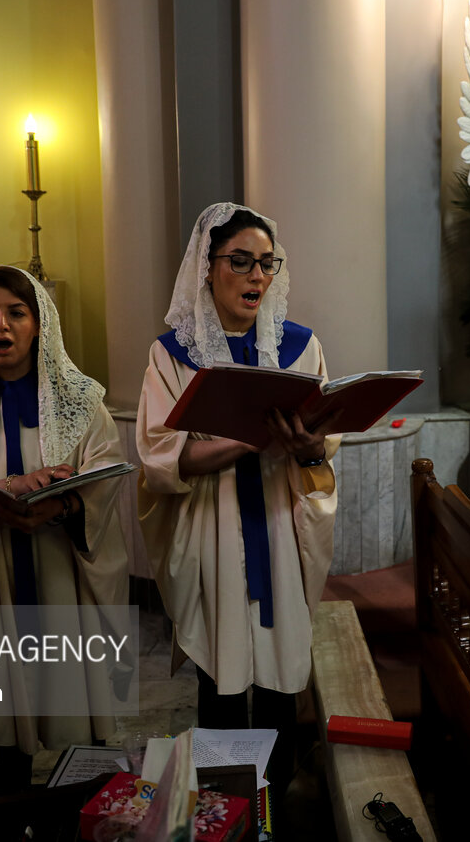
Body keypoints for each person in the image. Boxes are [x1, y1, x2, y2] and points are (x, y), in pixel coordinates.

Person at [136, 203, 338, 799]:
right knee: (219, 681)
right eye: (240, 262)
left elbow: (323, 452)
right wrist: (247, 438)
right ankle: (223, 807)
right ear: (207, 267)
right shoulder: (173, 356)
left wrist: (307, 448)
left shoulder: (301, 349)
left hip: (279, 524)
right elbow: (160, 455)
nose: (256, 277)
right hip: (214, 531)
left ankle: (276, 802)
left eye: (266, 265)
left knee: (279, 681)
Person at [0, 265, 130, 788]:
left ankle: (82, 792)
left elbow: (105, 470)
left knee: (76, 709)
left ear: (40, 324)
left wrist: (62, 508)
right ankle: (7, 791)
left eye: (17, 313)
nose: (2, 326)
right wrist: (11, 489)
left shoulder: (80, 400)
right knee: (5, 717)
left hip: (60, 568)